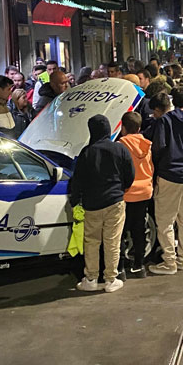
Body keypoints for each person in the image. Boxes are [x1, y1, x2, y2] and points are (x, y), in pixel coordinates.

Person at [68, 115, 134, 294]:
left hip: (92, 204)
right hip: (115, 201)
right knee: (112, 241)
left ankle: (90, 278)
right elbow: (130, 175)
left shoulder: (86, 152)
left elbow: (78, 181)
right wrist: (122, 188)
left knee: (91, 242)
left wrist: (75, 201)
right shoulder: (119, 149)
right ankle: (111, 279)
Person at [148, 86, 183, 275]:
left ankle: (169, 261)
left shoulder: (165, 121)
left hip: (169, 174)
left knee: (165, 221)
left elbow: (159, 147)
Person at [118, 111, 154, 278]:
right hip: (145, 191)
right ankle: (139, 266)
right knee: (139, 230)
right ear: (139, 128)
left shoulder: (121, 146)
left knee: (121, 231)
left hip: (127, 193)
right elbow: (151, 168)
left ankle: (120, 268)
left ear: (123, 127)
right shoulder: (147, 145)